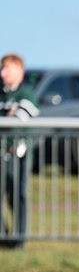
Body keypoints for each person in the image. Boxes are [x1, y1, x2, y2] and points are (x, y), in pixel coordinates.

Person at [0, 53, 39, 249]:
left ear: (20, 71)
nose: (3, 72)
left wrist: (11, 117)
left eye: (8, 68)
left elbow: (19, 120)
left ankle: (18, 241)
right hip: (1, 155)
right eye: (2, 68)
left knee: (17, 197)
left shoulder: (27, 93)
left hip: (18, 155)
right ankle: (4, 238)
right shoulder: (2, 93)